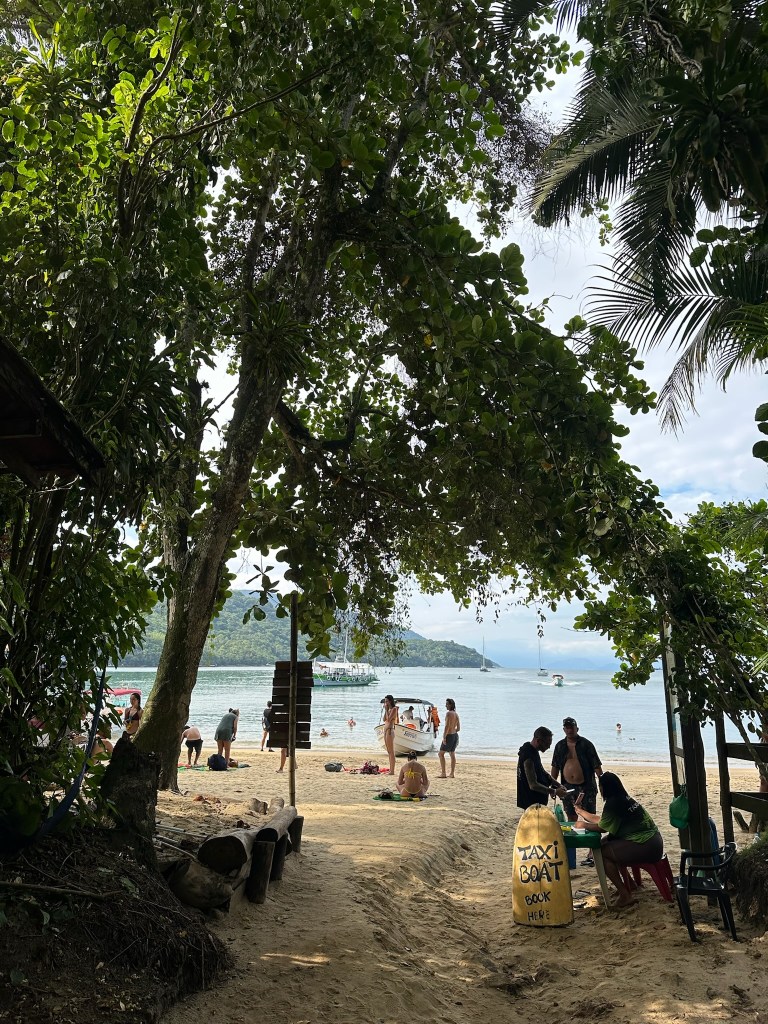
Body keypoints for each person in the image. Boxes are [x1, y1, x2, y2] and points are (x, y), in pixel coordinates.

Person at [574, 770, 664, 908]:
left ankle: (625, 895)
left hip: (646, 846)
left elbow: (601, 828)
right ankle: (630, 884)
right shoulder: (624, 799)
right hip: (654, 842)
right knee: (604, 842)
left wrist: (583, 825)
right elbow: (604, 821)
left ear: (604, 788)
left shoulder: (613, 803)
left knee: (601, 854)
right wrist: (581, 812)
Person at [550, 716, 603, 866]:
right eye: (567, 727)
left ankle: (592, 853)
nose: (569, 730)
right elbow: (555, 767)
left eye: (572, 727)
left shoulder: (586, 744)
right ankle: (570, 854)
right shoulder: (560, 746)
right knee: (571, 818)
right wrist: (553, 787)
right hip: (567, 788)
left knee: (590, 817)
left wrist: (603, 784)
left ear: (577, 728)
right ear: (564, 729)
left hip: (587, 787)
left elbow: (597, 766)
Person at [517, 726, 568, 809]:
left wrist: (558, 784)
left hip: (538, 801)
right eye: (547, 744)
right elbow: (533, 785)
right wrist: (554, 791)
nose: (549, 747)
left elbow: (542, 771)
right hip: (531, 802)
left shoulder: (533, 751)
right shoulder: (527, 756)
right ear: (538, 741)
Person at [437, 698, 460, 778]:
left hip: (449, 736)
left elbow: (447, 726)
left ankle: (443, 773)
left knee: (440, 754)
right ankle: (452, 773)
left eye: (447, 704)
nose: (445, 706)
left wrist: (444, 737)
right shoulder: (456, 714)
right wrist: (453, 730)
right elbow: (458, 728)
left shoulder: (448, 713)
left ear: (450, 705)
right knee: (452, 753)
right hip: (455, 736)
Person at [381, 694, 399, 775]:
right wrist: (386, 710)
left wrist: (386, 710)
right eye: (385, 702)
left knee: (391, 752)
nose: (386, 703)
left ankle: (392, 771)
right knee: (389, 751)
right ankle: (390, 769)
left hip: (389, 731)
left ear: (390, 701)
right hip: (386, 731)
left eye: (387, 701)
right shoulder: (388, 710)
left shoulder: (394, 709)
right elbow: (384, 719)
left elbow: (389, 719)